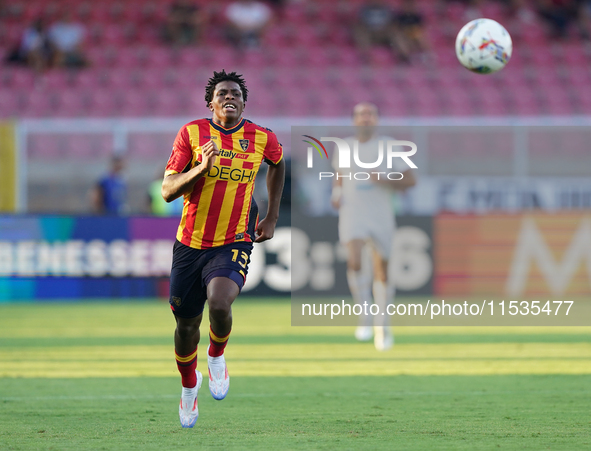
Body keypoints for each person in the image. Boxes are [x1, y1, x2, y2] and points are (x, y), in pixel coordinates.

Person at [161, 70, 285, 428]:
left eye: (235, 93)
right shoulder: (191, 133)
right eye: (222, 93)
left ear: (244, 102)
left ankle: (216, 356)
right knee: (186, 326)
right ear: (210, 103)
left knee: (219, 301)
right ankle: (188, 388)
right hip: (190, 243)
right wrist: (202, 167)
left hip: (234, 237)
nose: (229, 97)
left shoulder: (262, 137)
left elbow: (277, 164)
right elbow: (168, 189)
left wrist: (272, 215)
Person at [331, 103, 416, 351]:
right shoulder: (344, 147)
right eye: (360, 115)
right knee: (354, 260)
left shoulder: (390, 146)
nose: (365, 119)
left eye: (370, 115)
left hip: (380, 214)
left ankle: (383, 324)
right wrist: (336, 193)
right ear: (353, 120)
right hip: (353, 213)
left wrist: (386, 179)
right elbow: (340, 175)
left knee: (382, 271)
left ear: (377, 120)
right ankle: (365, 314)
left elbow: (411, 179)